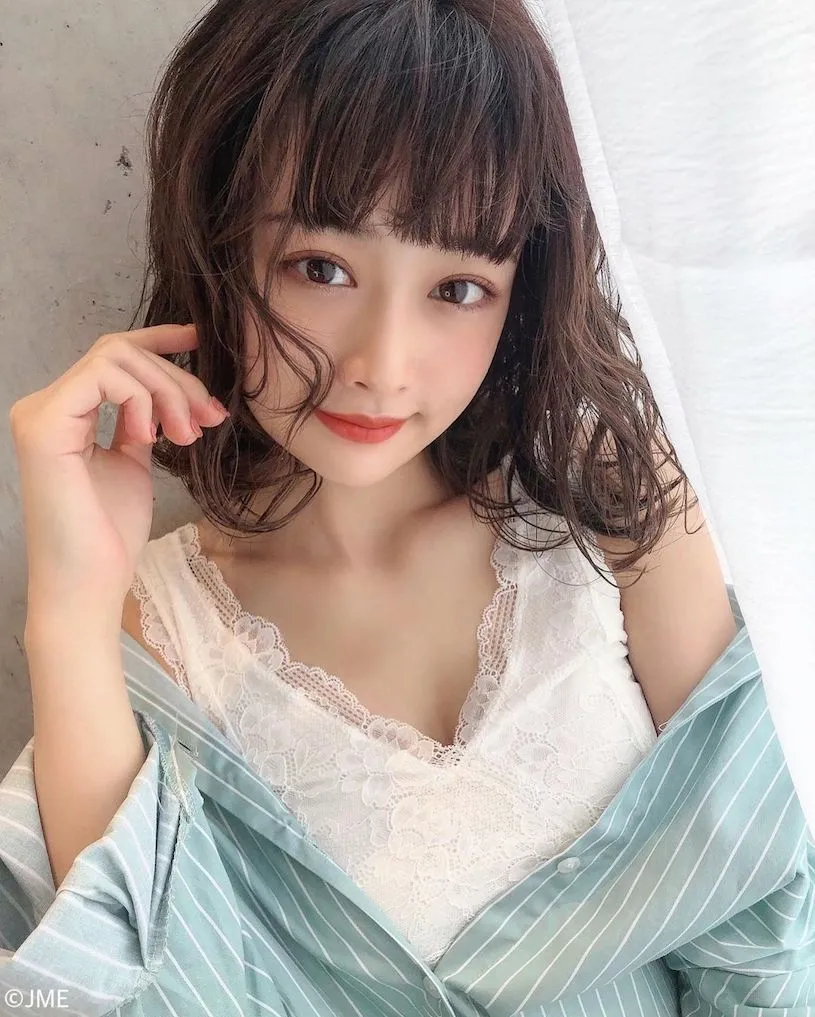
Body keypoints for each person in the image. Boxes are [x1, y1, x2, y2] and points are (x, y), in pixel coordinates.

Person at [2, 0, 813, 1014]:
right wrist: (68, 612)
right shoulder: (154, 629)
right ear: (217, 248)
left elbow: (770, 934)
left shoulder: (613, 512)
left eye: (458, 288)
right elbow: (124, 990)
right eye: (321, 268)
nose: (381, 367)